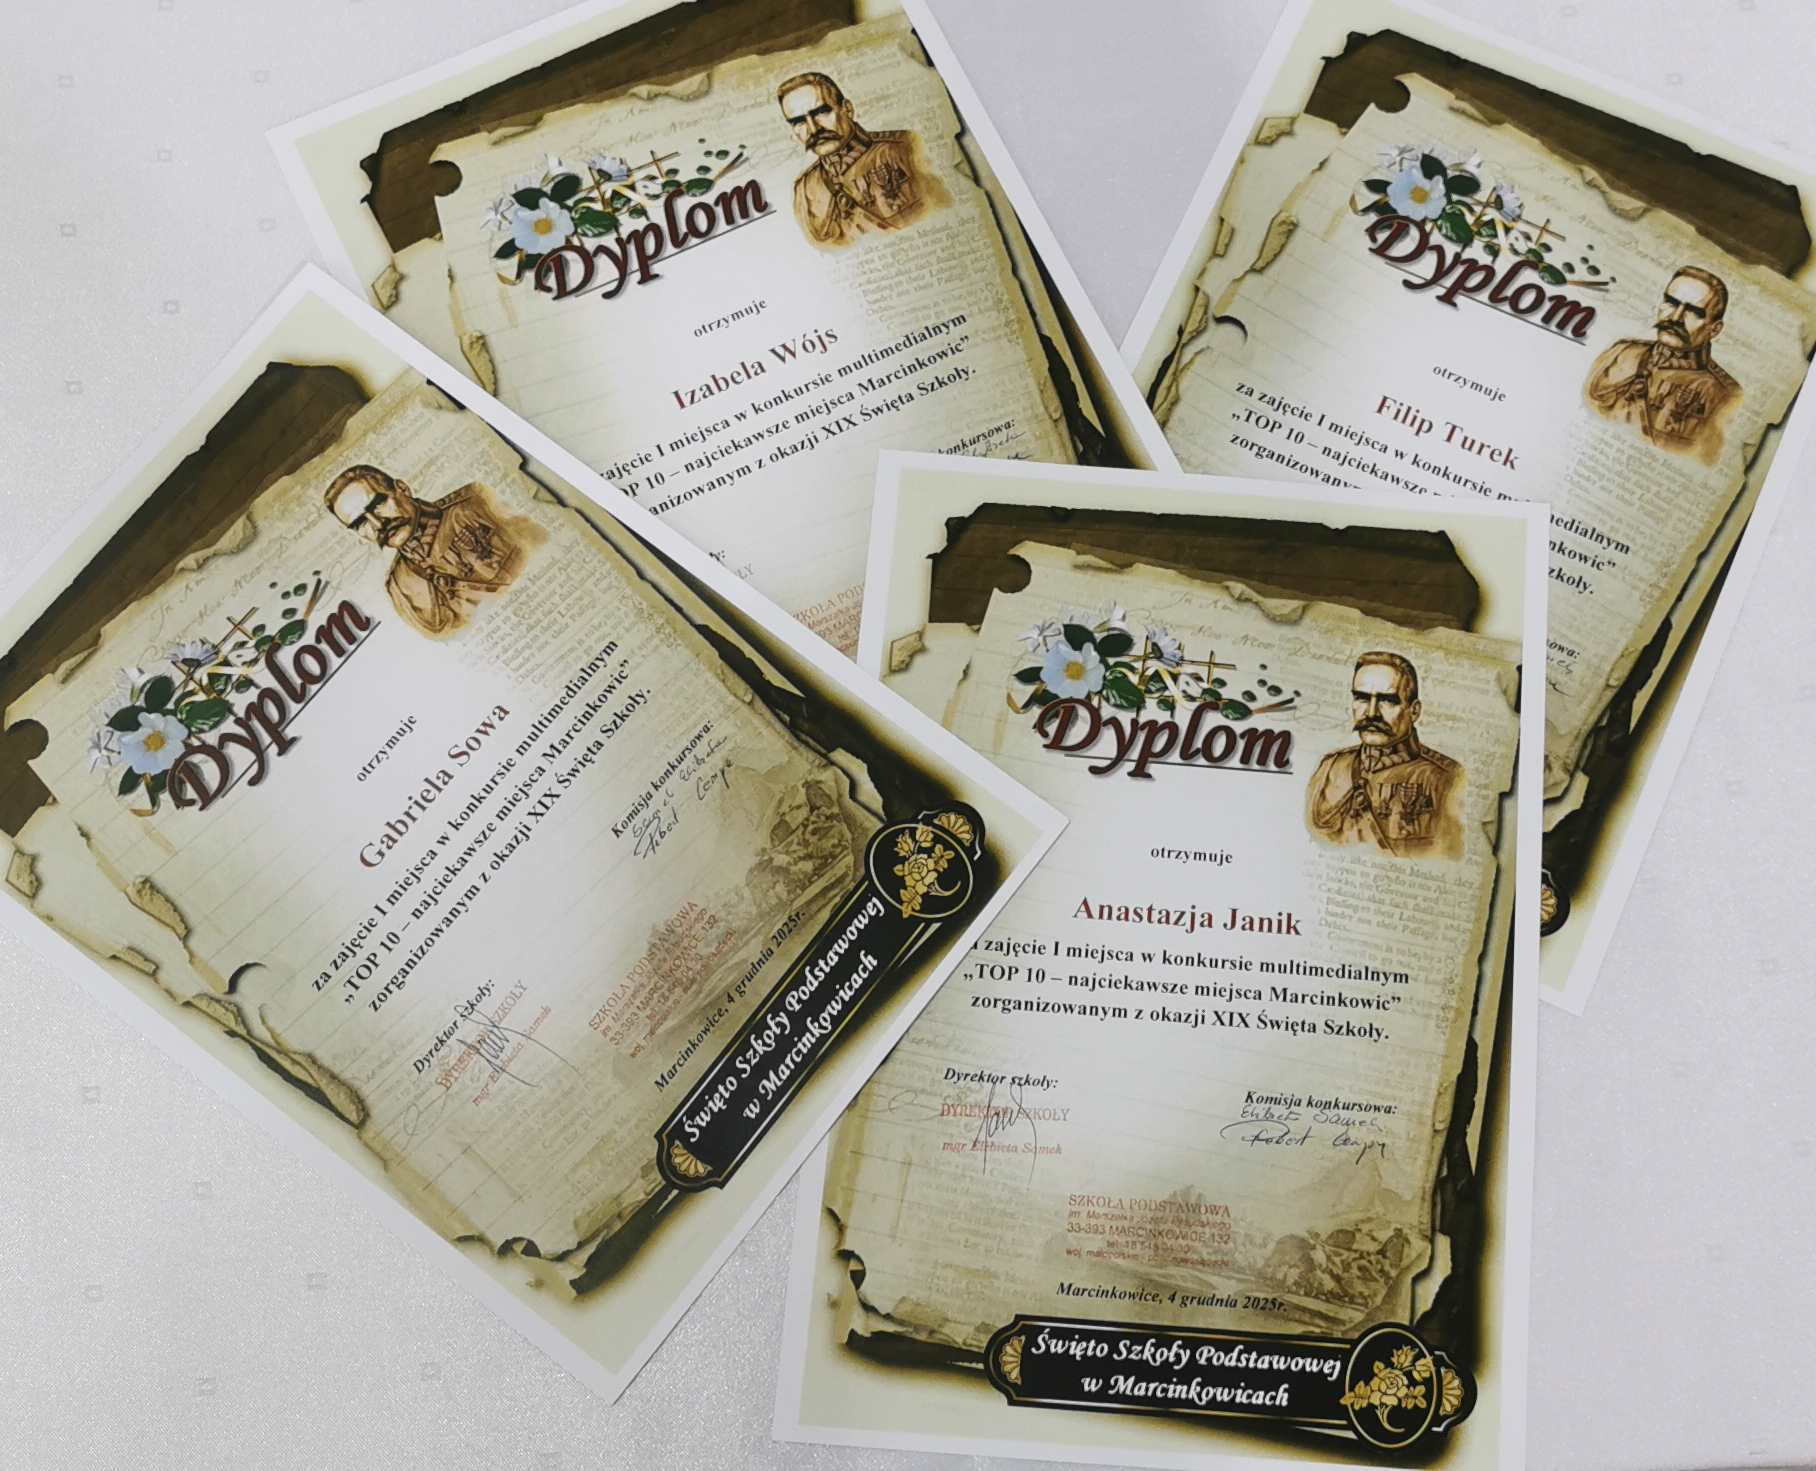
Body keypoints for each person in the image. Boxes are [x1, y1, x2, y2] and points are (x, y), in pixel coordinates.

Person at [324, 464, 527, 637]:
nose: (378, 524)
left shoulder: (480, 504)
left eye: (378, 503)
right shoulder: (400, 588)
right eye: (360, 523)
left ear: (402, 489)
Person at [1306, 652, 1462, 859]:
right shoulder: (1330, 768)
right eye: (1362, 698)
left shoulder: (1446, 779)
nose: (1371, 713)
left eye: (1388, 701)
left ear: (1414, 711)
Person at [1585, 266, 1740, 454]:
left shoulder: (1724, 396)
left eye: (1694, 311)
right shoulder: (1620, 353)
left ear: (1714, 329)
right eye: (1671, 302)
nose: (1675, 318)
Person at [777, 71, 929, 247]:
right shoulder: (805, 190)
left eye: (822, 112)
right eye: (799, 121)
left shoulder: (905, 148)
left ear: (847, 109)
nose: (813, 129)